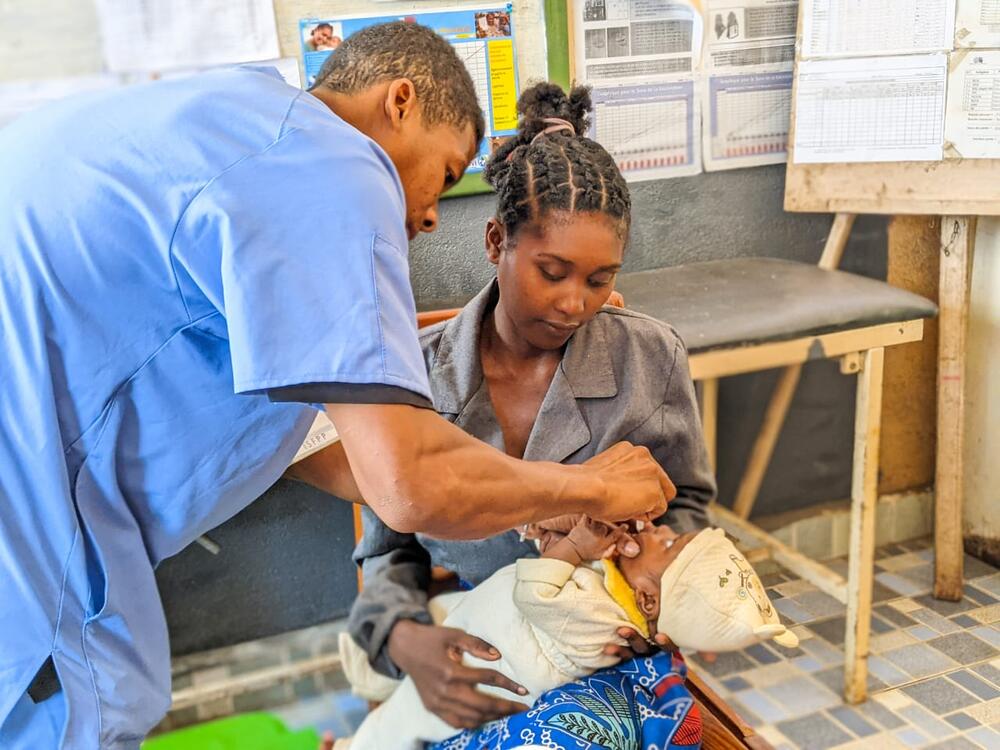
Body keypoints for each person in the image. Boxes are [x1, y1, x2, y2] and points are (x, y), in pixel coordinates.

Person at [0, 24, 671, 749]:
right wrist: (585, 489)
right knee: (95, 708)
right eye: (444, 175)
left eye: (598, 280)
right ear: (400, 102)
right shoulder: (333, 167)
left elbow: (318, 439)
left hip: (38, 457)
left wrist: (523, 501)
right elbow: (404, 485)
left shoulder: (241, 122)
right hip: (32, 486)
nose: (427, 215)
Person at [334, 82, 715, 734]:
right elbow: (388, 553)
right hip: (485, 656)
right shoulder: (413, 378)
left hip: (607, 651)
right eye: (552, 270)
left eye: (601, 279)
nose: (575, 303)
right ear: (494, 241)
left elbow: (688, 506)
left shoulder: (650, 359)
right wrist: (405, 641)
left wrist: (655, 579)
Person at [337, 519, 794, 749]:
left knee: (401, 724)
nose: (662, 526)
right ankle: (374, 675)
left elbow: (536, 593)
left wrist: (572, 546)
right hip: (469, 620)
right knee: (396, 652)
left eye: (670, 544)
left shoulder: (604, 617)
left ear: (649, 600)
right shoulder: (614, 586)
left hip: (485, 666)